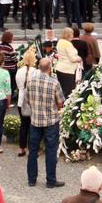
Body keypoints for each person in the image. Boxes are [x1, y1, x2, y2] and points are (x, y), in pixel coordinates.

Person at [23, 56, 65, 187]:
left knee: (33, 150)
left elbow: (28, 100)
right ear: (50, 68)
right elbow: (60, 102)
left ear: (39, 67)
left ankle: (31, 180)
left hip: (35, 120)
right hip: (51, 121)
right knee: (51, 150)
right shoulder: (54, 83)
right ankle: (51, 181)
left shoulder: (30, 81)